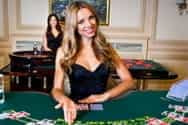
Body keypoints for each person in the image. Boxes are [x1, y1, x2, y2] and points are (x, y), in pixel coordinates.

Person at [52, 1, 134, 125]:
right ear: (73, 26)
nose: (89, 24)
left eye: (91, 18)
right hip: (77, 108)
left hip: (104, 107)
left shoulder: (106, 48)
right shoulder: (63, 52)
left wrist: (104, 96)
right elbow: (56, 89)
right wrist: (65, 100)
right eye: (81, 22)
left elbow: (129, 81)